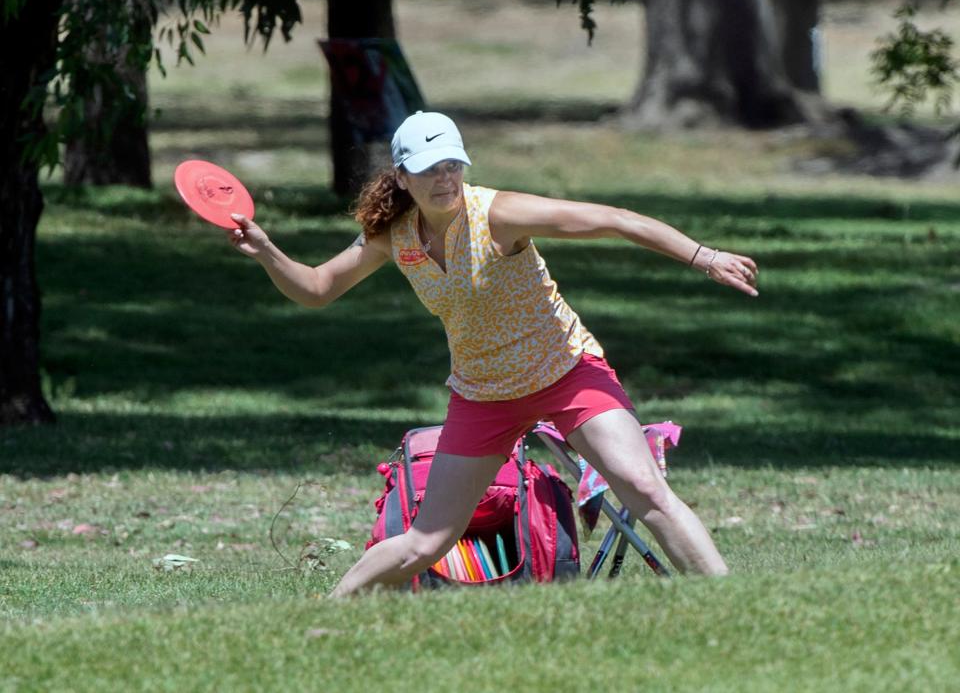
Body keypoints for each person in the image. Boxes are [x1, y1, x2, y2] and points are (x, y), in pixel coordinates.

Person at [228, 111, 758, 595]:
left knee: (644, 486)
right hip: (484, 394)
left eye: (453, 165)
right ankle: (328, 610)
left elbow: (613, 219)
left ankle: (728, 603)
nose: (444, 179)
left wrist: (703, 256)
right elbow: (317, 287)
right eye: (430, 169)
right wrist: (267, 252)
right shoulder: (395, 235)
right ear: (402, 176)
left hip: (565, 370)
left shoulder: (499, 215)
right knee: (426, 541)